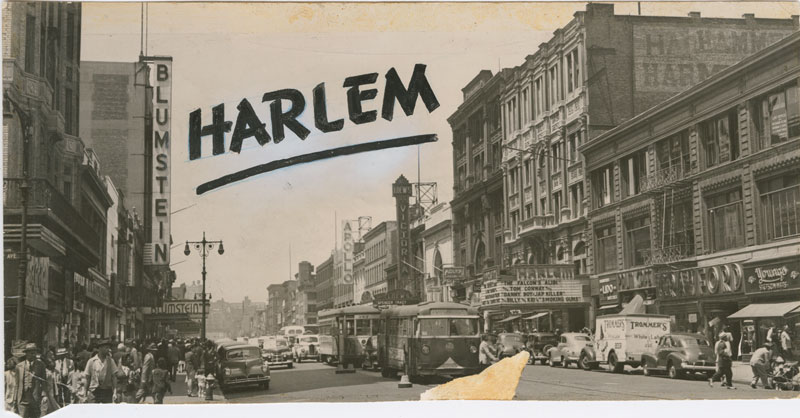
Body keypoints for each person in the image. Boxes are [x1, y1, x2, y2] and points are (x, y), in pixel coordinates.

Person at [16, 343, 46, 418]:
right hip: (23, 398)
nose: (34, 354)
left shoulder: (41, 365)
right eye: (31, 352)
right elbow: (16, 384)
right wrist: (14, 399)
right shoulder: (19, 366)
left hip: (35, 398)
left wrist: (44, 394)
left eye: (35, 352)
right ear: (26, 353)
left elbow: (44, 381)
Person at [84, 339, 117, 403]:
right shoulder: (91, 361)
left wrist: (115, 392)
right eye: (106, 348)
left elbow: (114, 377)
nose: (108, 349)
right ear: (100, 348)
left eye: (109, 347)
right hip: (94, 392)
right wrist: (85, 394)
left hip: (107, 392)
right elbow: (87, 378)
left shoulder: (110, 361)